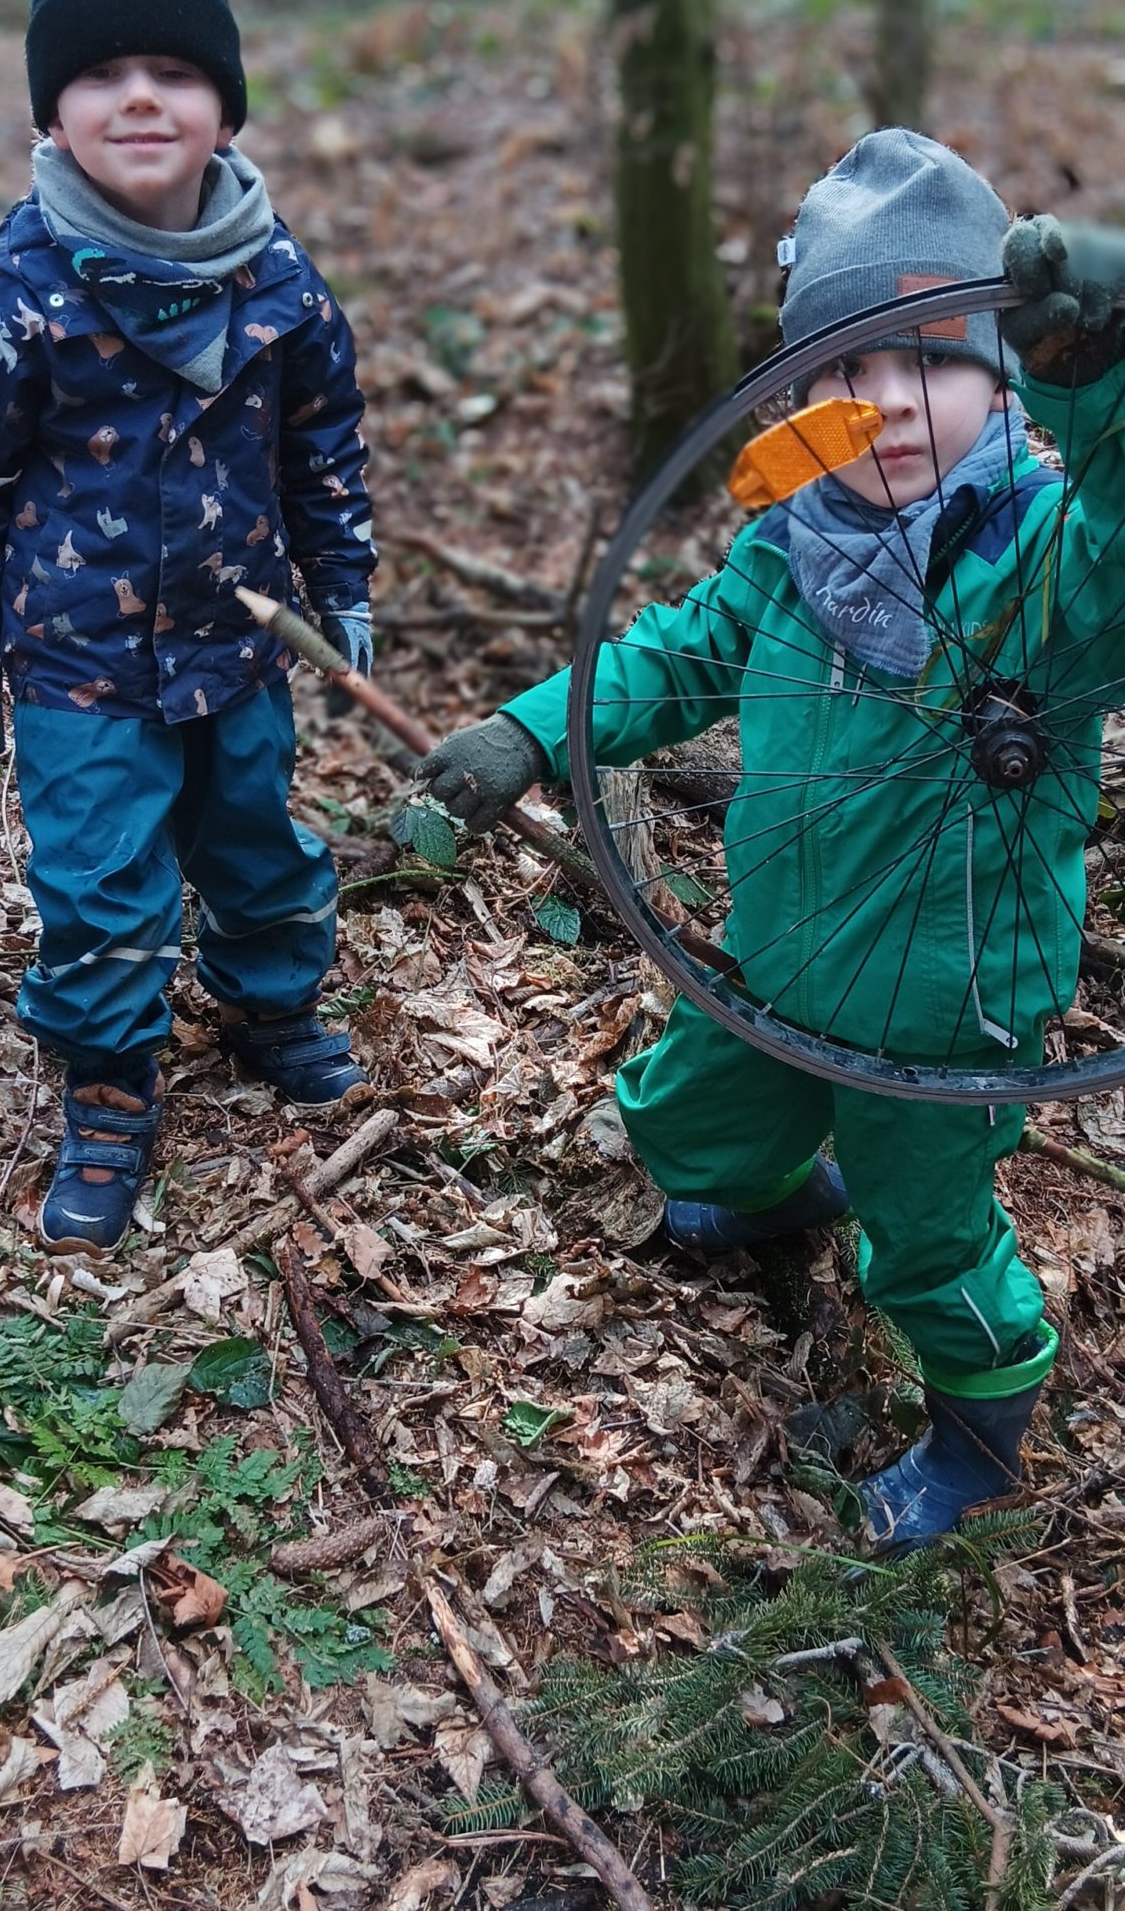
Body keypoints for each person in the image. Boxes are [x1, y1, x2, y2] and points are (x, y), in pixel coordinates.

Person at [411, 129, 1125, 1549]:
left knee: (927, 1241)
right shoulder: (790, 545)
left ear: (1005, 366)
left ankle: (982, 1426)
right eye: (847, 370)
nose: (892, 400)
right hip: (779, 948)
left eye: (934, 355)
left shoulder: (1048, 561)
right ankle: (771, 1195)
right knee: (685, 1120)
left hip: (945, 1006)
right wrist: (530, 730)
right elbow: (674, 657)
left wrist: (1105, 383)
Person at [0, 0, 376, 1253]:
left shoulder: (279, 280)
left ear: (224, 106)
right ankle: (107, 1077)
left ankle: (271, 1004)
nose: (139, 97)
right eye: (98, 74)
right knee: (100, 883)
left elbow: (324, 446)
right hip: (79, 665)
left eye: (175, 73)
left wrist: (343, 581)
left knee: (258, 845)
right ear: (53, 110)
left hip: (242, 642)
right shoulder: (12, 295)